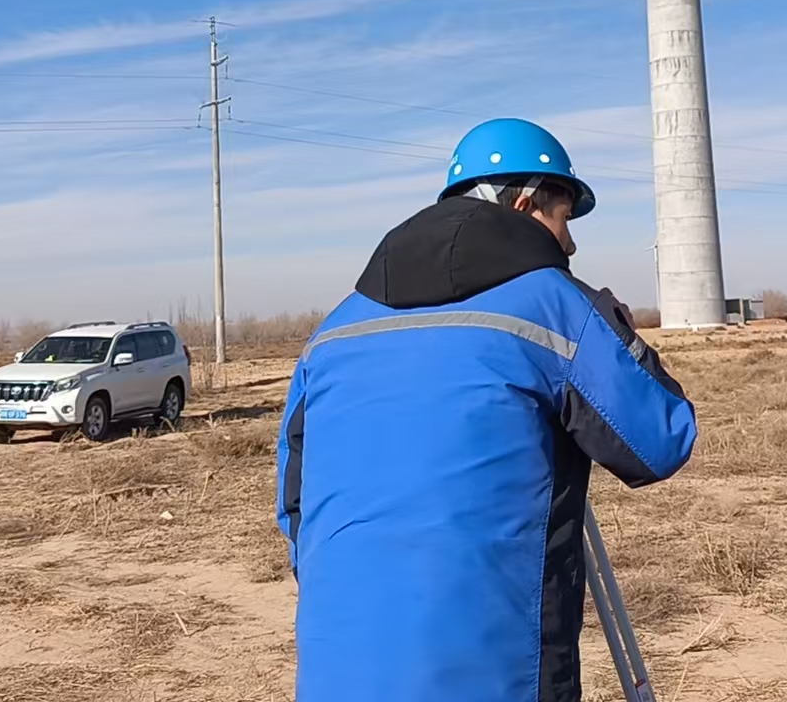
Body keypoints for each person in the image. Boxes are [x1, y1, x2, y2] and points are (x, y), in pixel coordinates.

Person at [276, 117, 698, 702]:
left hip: (335, 669)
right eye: (564, 218)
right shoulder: (556, 304)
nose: (570, 243)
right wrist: (614, 329)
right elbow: (662, 439)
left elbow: (295, 505)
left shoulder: (332, 330)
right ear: (525, 201)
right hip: (499, 672)